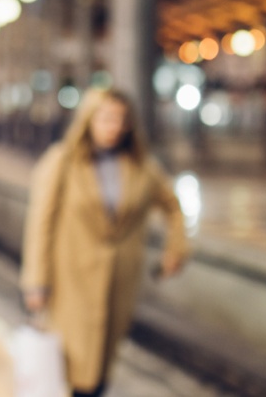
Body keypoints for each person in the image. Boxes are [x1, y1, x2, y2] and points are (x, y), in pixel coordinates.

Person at [20, 89, 191, 397]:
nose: (115, 126)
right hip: (71, 281)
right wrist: (36, 281)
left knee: (102, 363)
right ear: (88, 120)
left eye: (122, 119)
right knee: (76, 366)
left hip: (119, 282)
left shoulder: (141, 166)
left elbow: (172, 206)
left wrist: (176, 249)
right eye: (107, 117)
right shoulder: (63, 161)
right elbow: (40, 222)